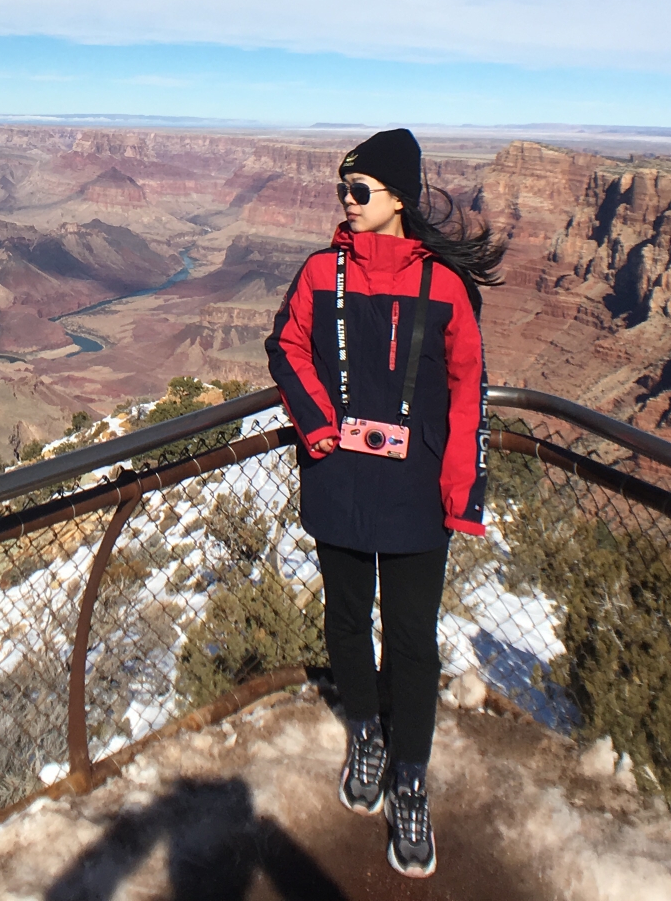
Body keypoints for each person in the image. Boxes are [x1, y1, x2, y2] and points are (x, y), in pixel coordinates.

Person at [264, 128, 503, 879]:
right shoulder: (318, 272)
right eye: (343, 188)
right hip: (337, 475)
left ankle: (409, 777)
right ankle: (365, 734)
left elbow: (470, 392)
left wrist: (461, 492)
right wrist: (318, 423)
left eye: (359, 190)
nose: (347, 201)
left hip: (413, 490)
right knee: (343, 616)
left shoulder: (447, 288)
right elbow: (286, 345)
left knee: (410, 636)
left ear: (398, 196)